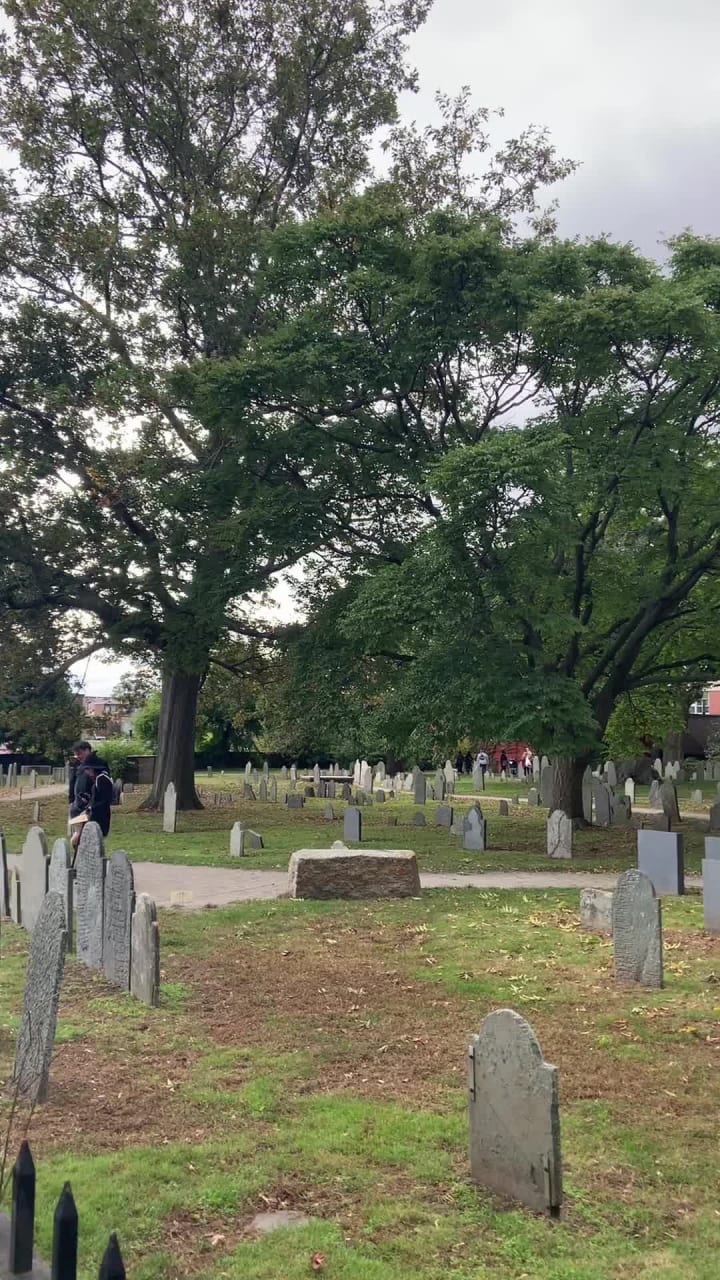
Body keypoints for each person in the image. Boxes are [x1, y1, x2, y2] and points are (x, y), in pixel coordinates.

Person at [70, 753, 113, 853]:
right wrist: (87, 799)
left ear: (93, 768)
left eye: (87, 769)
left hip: (100, 815)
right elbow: (96, 796)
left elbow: (105, 800)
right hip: (94, 814)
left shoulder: (102, 779)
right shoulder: (98, 779)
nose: (86, 772)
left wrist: (90, 808)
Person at [68, 740, 92, 819]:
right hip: (77, 807)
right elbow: (72, 783)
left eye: (79, 754)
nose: (77, 757)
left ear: (87, 751)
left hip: (89, 809)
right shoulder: (78, 766)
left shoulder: (96, 766)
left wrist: (89, 807)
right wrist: (71, 802)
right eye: (76, 754)